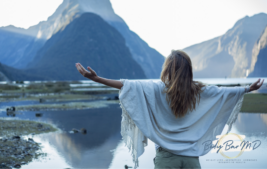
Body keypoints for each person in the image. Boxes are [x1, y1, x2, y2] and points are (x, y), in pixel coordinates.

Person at [75, 50, 264, 169]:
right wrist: (248, 88)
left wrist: (97, 79)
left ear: (167, 70)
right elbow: (224, 93)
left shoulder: (157, 89)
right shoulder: (199, 90)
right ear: (188, 70)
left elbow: (126, 85)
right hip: (192, 160)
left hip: (167, 159)